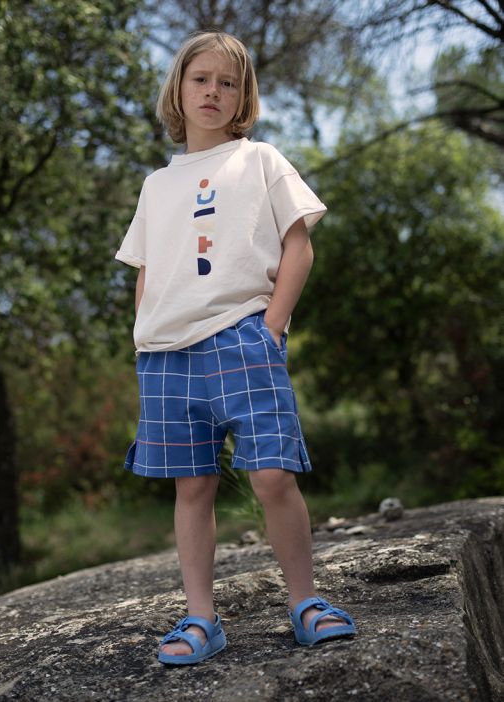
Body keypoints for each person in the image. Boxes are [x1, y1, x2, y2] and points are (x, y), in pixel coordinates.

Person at [115, 30, 356, 665]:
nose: (213, 92)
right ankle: (201, 618)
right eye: (200, 79)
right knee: (192, 488)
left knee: (272, 474)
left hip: (243, 336)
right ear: (179, 89)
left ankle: (306, 602)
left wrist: (272, 327)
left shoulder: (261, 160)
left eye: (228, 83)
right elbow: (146, 271)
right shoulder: (156, 185)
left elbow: (299, 244)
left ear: (243, 96)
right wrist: (144, 336)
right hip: (166, 353)